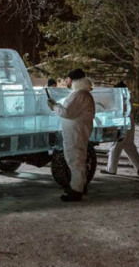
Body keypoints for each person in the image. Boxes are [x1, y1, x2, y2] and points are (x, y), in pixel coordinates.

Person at [48, 68, 95, 202]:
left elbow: (67, 112)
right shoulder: (82, 94)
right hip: (77, 131)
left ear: (74, 80)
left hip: (76, 132)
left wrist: (54, 107)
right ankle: (80, 185)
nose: (66, 81)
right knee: (78, 159)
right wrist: (57, 105)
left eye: (68, 78)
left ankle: (76, 191)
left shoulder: (79, 94)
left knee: (75, 160)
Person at [101, 81, 139, 176]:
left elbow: (116, 111)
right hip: (129, 123)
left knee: (115, 146)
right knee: (129, 146)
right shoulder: (127, 97)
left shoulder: (120, 98)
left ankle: (111, 169)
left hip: (122, 124)